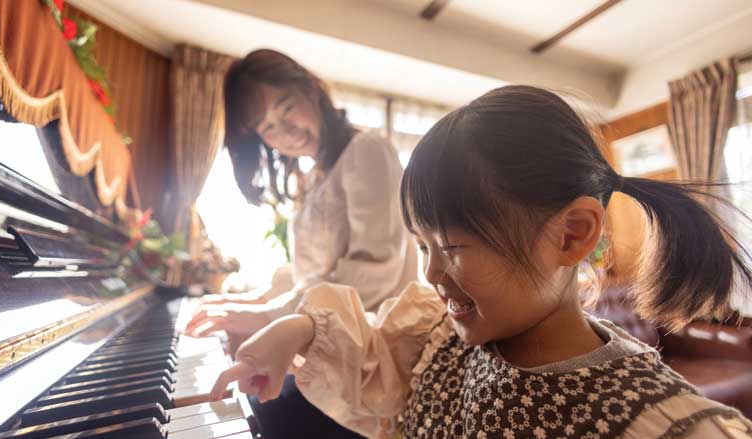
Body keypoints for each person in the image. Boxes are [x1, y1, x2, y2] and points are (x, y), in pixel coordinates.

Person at [210, 85, 752, 438]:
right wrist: (295, 330)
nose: (429, 274)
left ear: (572, 235)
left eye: (451, 248)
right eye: (422, 247)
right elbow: (371, 349)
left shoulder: (659, 424)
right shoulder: (437, 336)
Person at [186, 49, 417, 438]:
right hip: (328, 345)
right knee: (247, 401)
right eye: (267, 127)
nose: (284, 131)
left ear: (312, 90)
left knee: (254, 414)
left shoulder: (368, 150)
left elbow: (372, 270)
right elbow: (306, 274)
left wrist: (269, 316)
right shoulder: (311, 180)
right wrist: (248, 304)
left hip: (370, 356)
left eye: (287, 108)